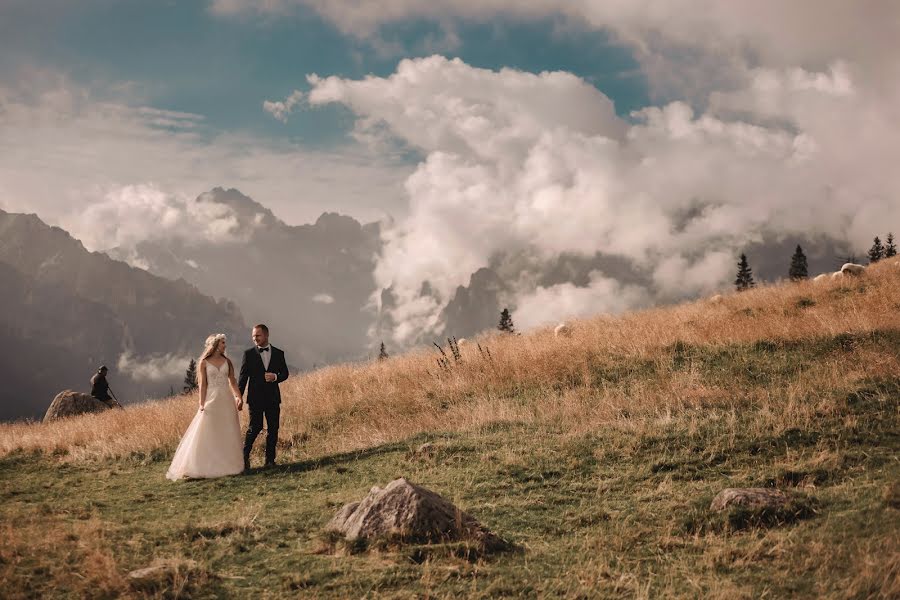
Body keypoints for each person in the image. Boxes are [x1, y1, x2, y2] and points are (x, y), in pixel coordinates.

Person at [166, 334, 245, 480]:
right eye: (222, 343)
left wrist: (238, 397)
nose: (225, 345)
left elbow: (232, 381)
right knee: (208, 430)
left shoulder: (228, 362)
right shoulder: (204, 362)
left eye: (224, 343)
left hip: (226, 400)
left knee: (227, 430)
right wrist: (201, 404)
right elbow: (202, 385)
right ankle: (201, 465)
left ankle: (229, 465)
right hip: (211, 399)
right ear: (215, 345)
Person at [239, 323, 289, 469]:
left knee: (273, 429)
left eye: (258, 335)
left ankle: (270, 461)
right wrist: (238, 396)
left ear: (266, 335)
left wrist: (275, 377)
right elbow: (243, 377)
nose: (255, 338)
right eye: (253, 336)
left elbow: (285, 374)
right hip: (255, 399)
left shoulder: (279, 353)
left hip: (273, 398)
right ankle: (244, 458)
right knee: (254, 427)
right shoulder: (248, 354)